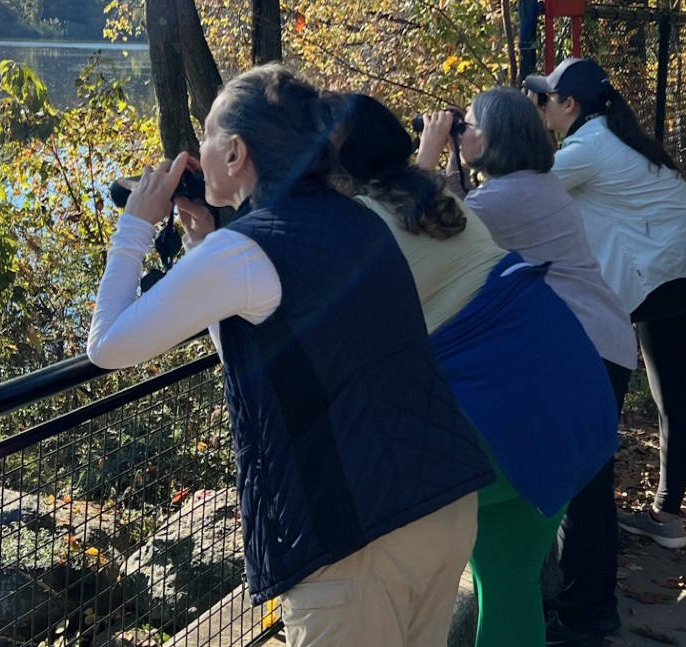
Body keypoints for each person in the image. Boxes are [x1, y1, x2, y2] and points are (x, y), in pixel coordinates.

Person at [86, 64, 492, 647]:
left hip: (358, 537)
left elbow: (106, 347)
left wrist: (135, 226)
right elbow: (266, 355)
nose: (195, 153)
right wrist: (201, 238)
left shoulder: (247, 250)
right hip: (439, 503)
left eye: (205, 138)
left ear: (234, 153)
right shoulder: (355, 221)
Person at [332, 92, 618, 647]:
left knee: (389, 567)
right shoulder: (446, 205)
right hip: (571, 392)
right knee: (508, 581)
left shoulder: (357, 224)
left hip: (498, 419)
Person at [418, 88, 636, 647]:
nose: (459, 130)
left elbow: (424, 223)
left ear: (490, 137)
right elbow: (449, 210)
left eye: (465, 125)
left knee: (582, 495)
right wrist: (450, 158)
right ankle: (584, 608)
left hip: (580, 349)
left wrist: (427, 151)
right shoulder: (529, 187)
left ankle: (587, 616)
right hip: (586, 346)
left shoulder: (507, 199)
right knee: (571, 497)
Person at [523, 58, 686, 556]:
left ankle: (587, 514)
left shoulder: (588, 149)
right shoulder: (618, 134)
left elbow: (523, 190)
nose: (540, 104)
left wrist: (520, 127)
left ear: (569, 104)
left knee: (597, 382)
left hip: (659, 278)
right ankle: (667, 515)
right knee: (671, 390)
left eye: (544, 98)